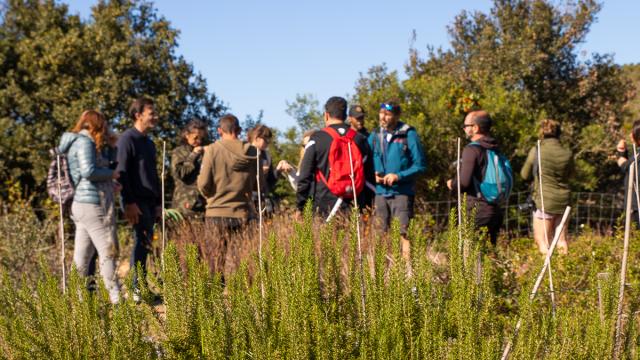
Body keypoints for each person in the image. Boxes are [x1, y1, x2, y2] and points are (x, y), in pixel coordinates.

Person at [57, 110, 121, 304]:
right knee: (107, 251)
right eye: (104, 125)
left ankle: (78, 301)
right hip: (92, 203)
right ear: (97, 125)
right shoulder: (85, 142)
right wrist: (112, 174)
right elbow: (88, 171)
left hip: (81, 203)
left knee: (82, 256)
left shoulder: (75, 142)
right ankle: (116, 299)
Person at [369, 101, 426, 274]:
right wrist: (372, 174)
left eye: (387, 114)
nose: (383, 117)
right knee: (380, 235)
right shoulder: (374, 136)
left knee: (404, 233)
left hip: (402, 193)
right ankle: (382, 274)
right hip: (380, 193)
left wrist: (398, 176)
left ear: (396, 116)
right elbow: (364, 159)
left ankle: (407, 274)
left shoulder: (408, 134)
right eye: (381, 113)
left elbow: (420, 165)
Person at [197, 114, 258, 275]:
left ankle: (215, 296)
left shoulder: (212, 150)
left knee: (215, 263)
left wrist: (209, 195)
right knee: (242, 263)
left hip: (216, 212)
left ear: (219, 130)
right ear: (238, 130)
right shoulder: (252, 151)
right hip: (243, 212)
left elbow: (203, 184)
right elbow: (259, 184)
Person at [296, 96, 373, 217]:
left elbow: (304, 176)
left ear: (326, 115)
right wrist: (367, 205)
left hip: (324, 207)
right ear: (345, 116)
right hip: (354, 205)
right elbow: (369, 177)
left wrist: (300, 206)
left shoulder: (317, 139)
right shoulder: (360, 139)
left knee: (326, 236)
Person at [116, 97, 161, 298]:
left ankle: (141, 286)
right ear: (138, 115)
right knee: (141, 241)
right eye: (151, 113)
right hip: (136, 200)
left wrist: (159, 203)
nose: (155, 116)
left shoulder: (149, 143)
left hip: (150, 201)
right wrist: (129, 202)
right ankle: (136, 288)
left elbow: (154, 175)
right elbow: (122, 173)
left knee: (147, 243)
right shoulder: (127, 139)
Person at [447, 110, 504, 246]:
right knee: (489, 255)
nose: (464, 128)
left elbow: (464, 182)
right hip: (495, 209)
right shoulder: (495, 148)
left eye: (466, 125)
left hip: (476, 210)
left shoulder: (472, 149)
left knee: (471, 256)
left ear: (475, 128)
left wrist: (452, 184)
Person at [521, 119, 573, 255]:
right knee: (562, 240)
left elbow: (524, 174)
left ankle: (547, 271)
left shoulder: (537, 150)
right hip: (564, 201)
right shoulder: (567, 153)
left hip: (544, 200)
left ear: (541, 132)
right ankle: (563, 272)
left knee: (543, 241)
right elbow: (571, 175)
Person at [171, 118, 208, 219]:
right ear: (187, 135)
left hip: (203, 205)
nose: (199, 141)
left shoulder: (203, 152)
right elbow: (181, 173)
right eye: (196, 138)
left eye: (201, 138)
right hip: (184, 207)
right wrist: (194, 155)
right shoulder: (179, 152)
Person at [348, 104, 375, 210]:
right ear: (350, 119)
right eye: (357, 118)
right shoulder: (345, 136)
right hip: (352, 185)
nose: (360, 120)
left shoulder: (370, 137)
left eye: (362, 117)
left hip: (369, 185)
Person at [248, 125, 278, 214]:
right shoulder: (245, 152)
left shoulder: (267, 155)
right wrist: (258, 172)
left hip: (264, 199)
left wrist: (279, 170)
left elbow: (271, 181)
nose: (268, 143)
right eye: (266, 140)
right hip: (249, 199)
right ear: (257, 138)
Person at [616, 119, 640, 226]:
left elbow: (627, 166)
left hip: (636, 207)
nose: (630, 135)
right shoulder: (637, 155)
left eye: (633, 133)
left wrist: (621, 154)